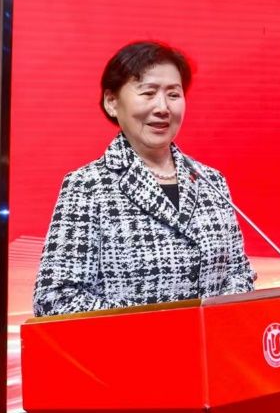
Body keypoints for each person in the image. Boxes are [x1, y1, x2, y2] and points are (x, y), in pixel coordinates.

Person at [32, 41, 256, 317]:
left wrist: (217, 316)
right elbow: (55, 300)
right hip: (131, 345)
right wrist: (153, 326)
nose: (163, 107)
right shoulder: (87, 186)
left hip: (213, 343)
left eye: (173, 94)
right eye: (148, 93)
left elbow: (239, 272)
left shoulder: (212, 181)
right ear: (112, 102)